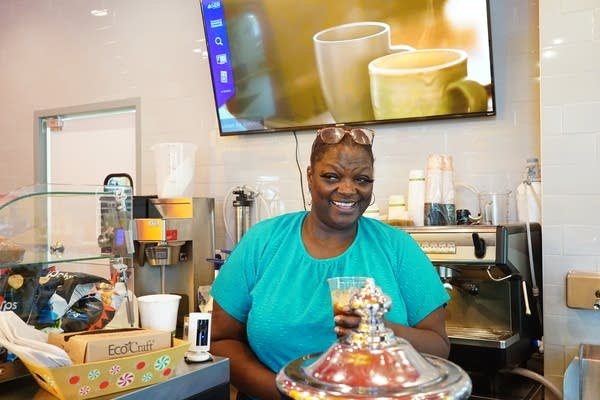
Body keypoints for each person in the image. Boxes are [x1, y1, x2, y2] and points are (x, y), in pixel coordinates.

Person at [210, 126, 451, 400]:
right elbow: (220, 340)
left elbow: (439, 347)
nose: (348, 190)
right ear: (310, 176)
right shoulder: (263, 242)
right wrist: (287, 394)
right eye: (331, 176)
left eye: (362, 179)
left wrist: (384, 330)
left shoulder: (397, 248)